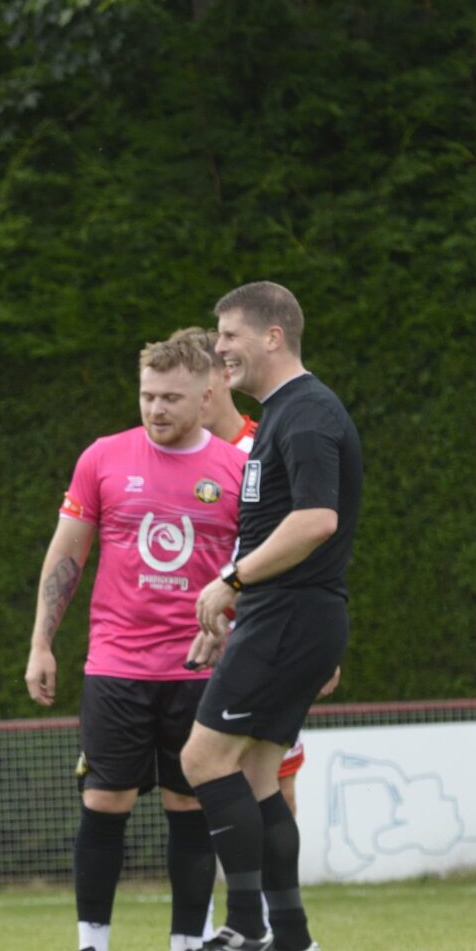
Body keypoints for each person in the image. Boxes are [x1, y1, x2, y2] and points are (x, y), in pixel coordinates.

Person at [24, 335, 246, 951]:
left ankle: (188, 949)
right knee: (104, 801)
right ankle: (91, 948)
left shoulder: (235, 471)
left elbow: (256, 569)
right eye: (147, 395)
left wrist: (228, 624)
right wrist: (42, 643)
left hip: (198, 669)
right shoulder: (103, 458)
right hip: (116, 666)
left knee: (189, 802)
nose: (156, 409)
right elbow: (67, 554)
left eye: (171, 398)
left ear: (206, 395)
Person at [175, 281, 362, 951]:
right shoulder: (286, 414)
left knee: (202, 759)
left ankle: (245, 929)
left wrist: (231, 582)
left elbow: (317, 521)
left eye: (228, 335)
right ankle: (292, 938)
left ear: (272, 336)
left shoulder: (308, 414)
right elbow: (276, 522)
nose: (220, 347)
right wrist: (235, 602)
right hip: (287, 616)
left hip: (288, 615)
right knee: (257, 772)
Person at [177, 325, 309, 802]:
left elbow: (308, 540)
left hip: (263, 635)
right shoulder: (163, 457)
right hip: (185, 645)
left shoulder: (264, 447)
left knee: (272, 781)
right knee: (194, 781)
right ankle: (225, 880)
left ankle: (274, 882)